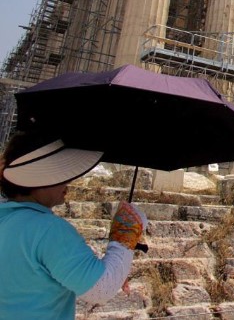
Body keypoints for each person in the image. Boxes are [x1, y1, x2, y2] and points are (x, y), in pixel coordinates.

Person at [0, 131, 147, 319]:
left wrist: (115, 265)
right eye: (62, 173)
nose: (69, 181)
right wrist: (126, 232)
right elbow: (102, 288)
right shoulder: (48, 230)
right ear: (41, 178)